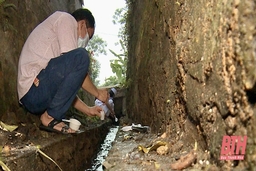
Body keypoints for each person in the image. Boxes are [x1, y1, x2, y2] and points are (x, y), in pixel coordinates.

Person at [17, 8, 108, 134]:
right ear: (82, 24)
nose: (85, 43)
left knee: (79, 58)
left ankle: (50, 116)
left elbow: (66, 89)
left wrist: (88, 110)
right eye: (88, 36)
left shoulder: (59, 53)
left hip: (35, 96)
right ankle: (50, 117)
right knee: (81, 57)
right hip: (33, 91)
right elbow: (78, 64)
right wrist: (97, 93)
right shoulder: (66, 19)